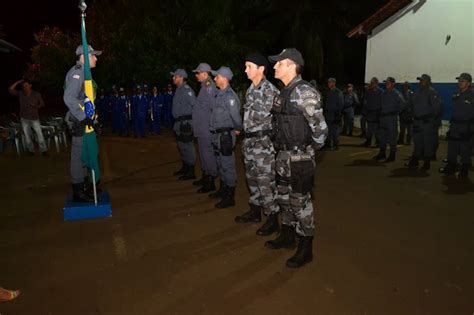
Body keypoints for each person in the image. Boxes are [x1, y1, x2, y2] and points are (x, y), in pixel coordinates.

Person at [266, 48, 328, 268]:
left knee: (300, 201)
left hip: (299, 157)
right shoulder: (284, 92)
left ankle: (305, 245)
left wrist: (307, 150)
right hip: (282, 155)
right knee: (283, 197)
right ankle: (288, 234)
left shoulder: (304, 92)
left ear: (291, 65)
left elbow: (321, 131)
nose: (274, 66)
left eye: (278, 63)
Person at [234, 54, 280, 236]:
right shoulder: (250, 90)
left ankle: (272, 218)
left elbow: (278, 119)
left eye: (249, 66)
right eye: (245, 66)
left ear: (261, 69)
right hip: (249, 142)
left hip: (263, 143)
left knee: (265, 181)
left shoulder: (270, 90)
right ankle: (255, 211)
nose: (245, 70)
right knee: (252, 178)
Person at [63, 44, 101, 202]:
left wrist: (92, 117)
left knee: (85, 153)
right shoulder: (77, 73)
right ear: (84, 57)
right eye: (93, 55)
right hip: (79, 122)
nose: (96, 58)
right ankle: (78, 190)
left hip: (85, 121)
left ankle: (85, 185)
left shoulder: (85, 74)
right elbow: (69, 98)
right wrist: (83, 117)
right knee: (78, 157)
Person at [209, 66, 242, 208]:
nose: (215, 79)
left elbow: (236, 117)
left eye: (217, 76)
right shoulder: (219, 94)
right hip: (218, 136)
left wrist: (237, 129)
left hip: (225, 136)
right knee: (220, 163)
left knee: (228, 165)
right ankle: (223, 190)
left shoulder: (230, 96)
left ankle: (230, 196)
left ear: (224, 78)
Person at [439, 73, 474, 179]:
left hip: (466, 126)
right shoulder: (456, 94)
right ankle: (451, 166)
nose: (459, 82)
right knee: (452, 148)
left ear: (468, 83)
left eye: (462, 81)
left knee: (465, 150)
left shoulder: (472, 95)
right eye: (459, 80)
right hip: (454, 125)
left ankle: (464, 171)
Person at [405, 74, 443, 171]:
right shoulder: (417, 92)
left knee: (427, 143)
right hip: (417, 122)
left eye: (422, 80)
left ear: (428, 82)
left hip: (427, 123)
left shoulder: (432, 92)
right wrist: (411, 113)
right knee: (417, 142)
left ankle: (427, 163)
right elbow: (412, 105)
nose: (420, 82)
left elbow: (437, 108)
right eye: (420, 80)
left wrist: (430, 119)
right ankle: (415, 161)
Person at [192, 63, 218, 193]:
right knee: (203, 154)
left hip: (206, 128)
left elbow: (214, 107)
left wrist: (211, 126)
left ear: (204, 73)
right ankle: (205, 176)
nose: (196, 75)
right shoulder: (203, 87)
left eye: (198, 73)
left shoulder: (209, 87)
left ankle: (211, 181)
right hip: (201, 128)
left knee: (208, 155)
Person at [8, 79, 48, 156]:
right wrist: (17, 82)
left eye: (26, 85)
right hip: (24, 118)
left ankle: (43, 150)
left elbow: (42, 104)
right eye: (23, 86)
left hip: (34, 118)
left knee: (39, 134)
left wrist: (36, 106)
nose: (25, 87)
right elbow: (10, 90)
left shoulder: (36, 94)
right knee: (27, 135)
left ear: (30, 85)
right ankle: (31, 150)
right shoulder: (20, 93)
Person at [171, 69, 197, 180]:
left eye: (175, 76)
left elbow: (194, 105)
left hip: (186, 123)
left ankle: (191, 171)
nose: (173, 78)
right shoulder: (179, 89)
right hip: (179, 123)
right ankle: (185, 167)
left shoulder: (187, 90)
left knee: (188, 146)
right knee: (182, 146)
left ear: (181, 77)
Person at [373, 77, 403, 162]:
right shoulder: (384, 93)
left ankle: (392, 155)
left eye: (388, 83)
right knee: (382, 137)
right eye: (386, 83)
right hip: (383, 118)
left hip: (391, 118)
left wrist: (395, 112)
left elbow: (402, 104)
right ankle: (382, 153)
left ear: (393, 84)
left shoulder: (396, 93)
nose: (386, 84)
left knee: (392, 137)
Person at [361, 77, 383, 147]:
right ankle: (368, 142)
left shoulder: (381, 91)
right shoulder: (368, 91)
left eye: (373, 83)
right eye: (371, 83)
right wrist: (365, 111)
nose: (372, 84)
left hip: (377, 113)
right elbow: (366, 102)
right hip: (369, 113)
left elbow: (383, 103)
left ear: (377, 83)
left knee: (377, 129)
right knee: (369, 129)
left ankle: (378, 142)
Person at [324, 78, 344, 150]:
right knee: (328, 130)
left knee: (335, 130)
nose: (328, 84)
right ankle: (328, 144)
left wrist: (338, 115)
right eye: (328, 82)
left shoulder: (338, 92)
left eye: (330, 82)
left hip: (335, 114)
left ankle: (336, 145)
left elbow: (341, 104)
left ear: (334, 83)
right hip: (328, 114)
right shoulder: (328, 92)